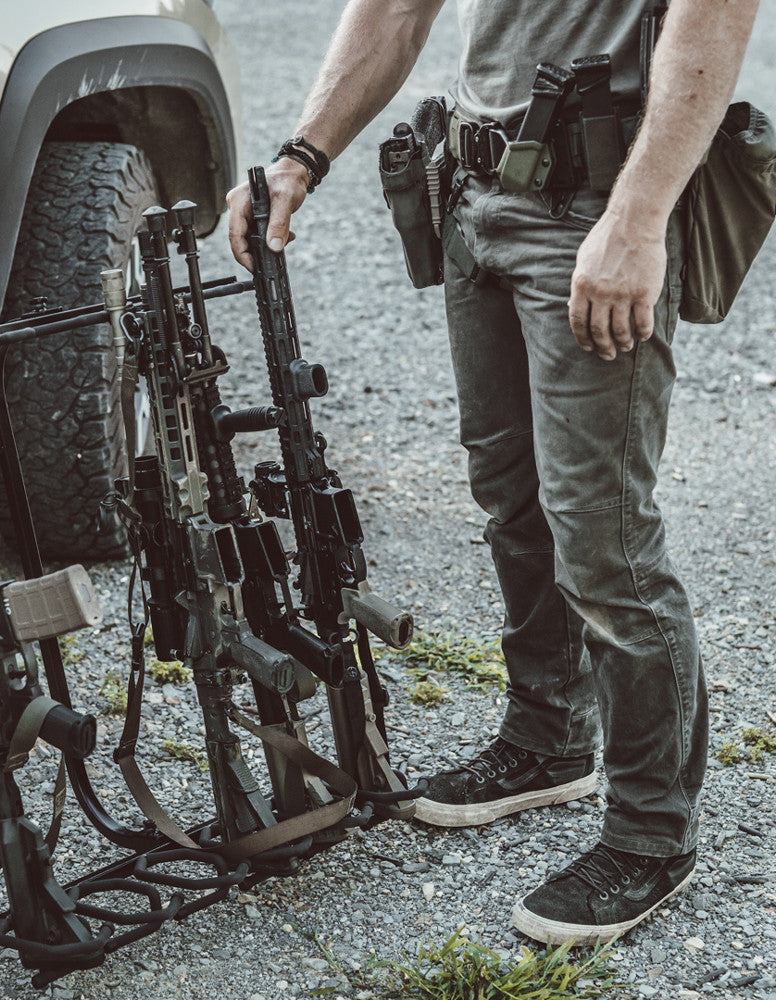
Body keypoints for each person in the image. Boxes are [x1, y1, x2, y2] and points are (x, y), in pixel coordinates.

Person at [227, 0, 759, 946]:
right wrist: (302, 154)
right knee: (512, 499)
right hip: (472, 191)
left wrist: (639, 218)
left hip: (593, 203)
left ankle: (651, 834)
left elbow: (714, 18)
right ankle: (549, 736)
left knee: (605, 537)